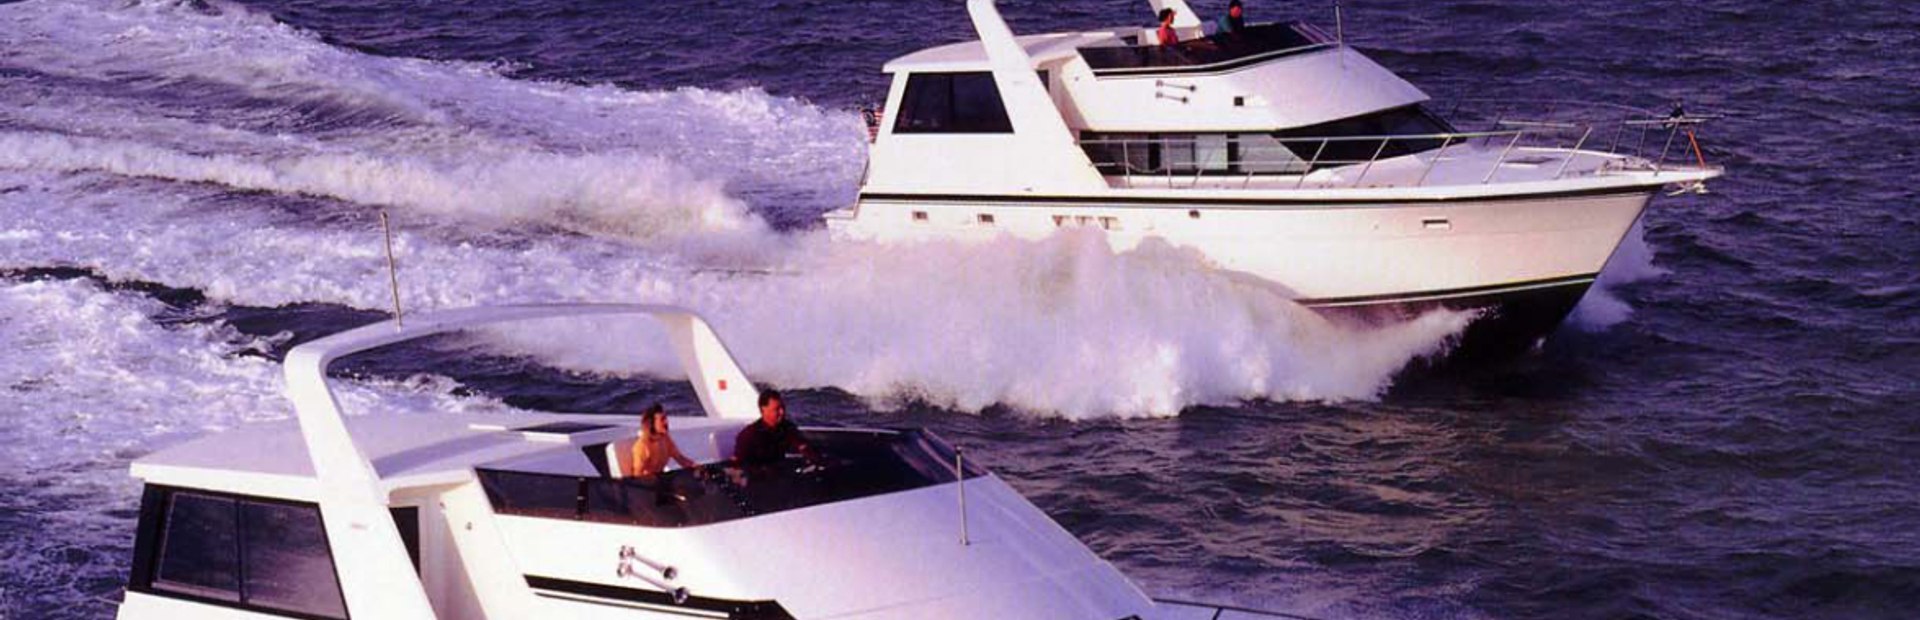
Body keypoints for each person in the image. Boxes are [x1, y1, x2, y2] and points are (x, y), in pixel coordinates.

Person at [731, 389, 819, 467]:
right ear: (763, 409)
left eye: (783, 408)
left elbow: (801, 445)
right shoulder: (749, 435)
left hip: (780, 475)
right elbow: (737, 465)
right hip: (758, 479)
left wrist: (811, 456)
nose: (782, 412)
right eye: (777, 409)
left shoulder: (787, 428)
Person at [630, 403, 698, 479]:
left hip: (662, 479)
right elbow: (637, 475)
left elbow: (680, 458)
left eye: (666, 418)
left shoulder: (665, 438)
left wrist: (696, 467)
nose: (666, 422)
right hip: (649, 484)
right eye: (662, 419)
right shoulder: (642, 446)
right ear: (652, 424)